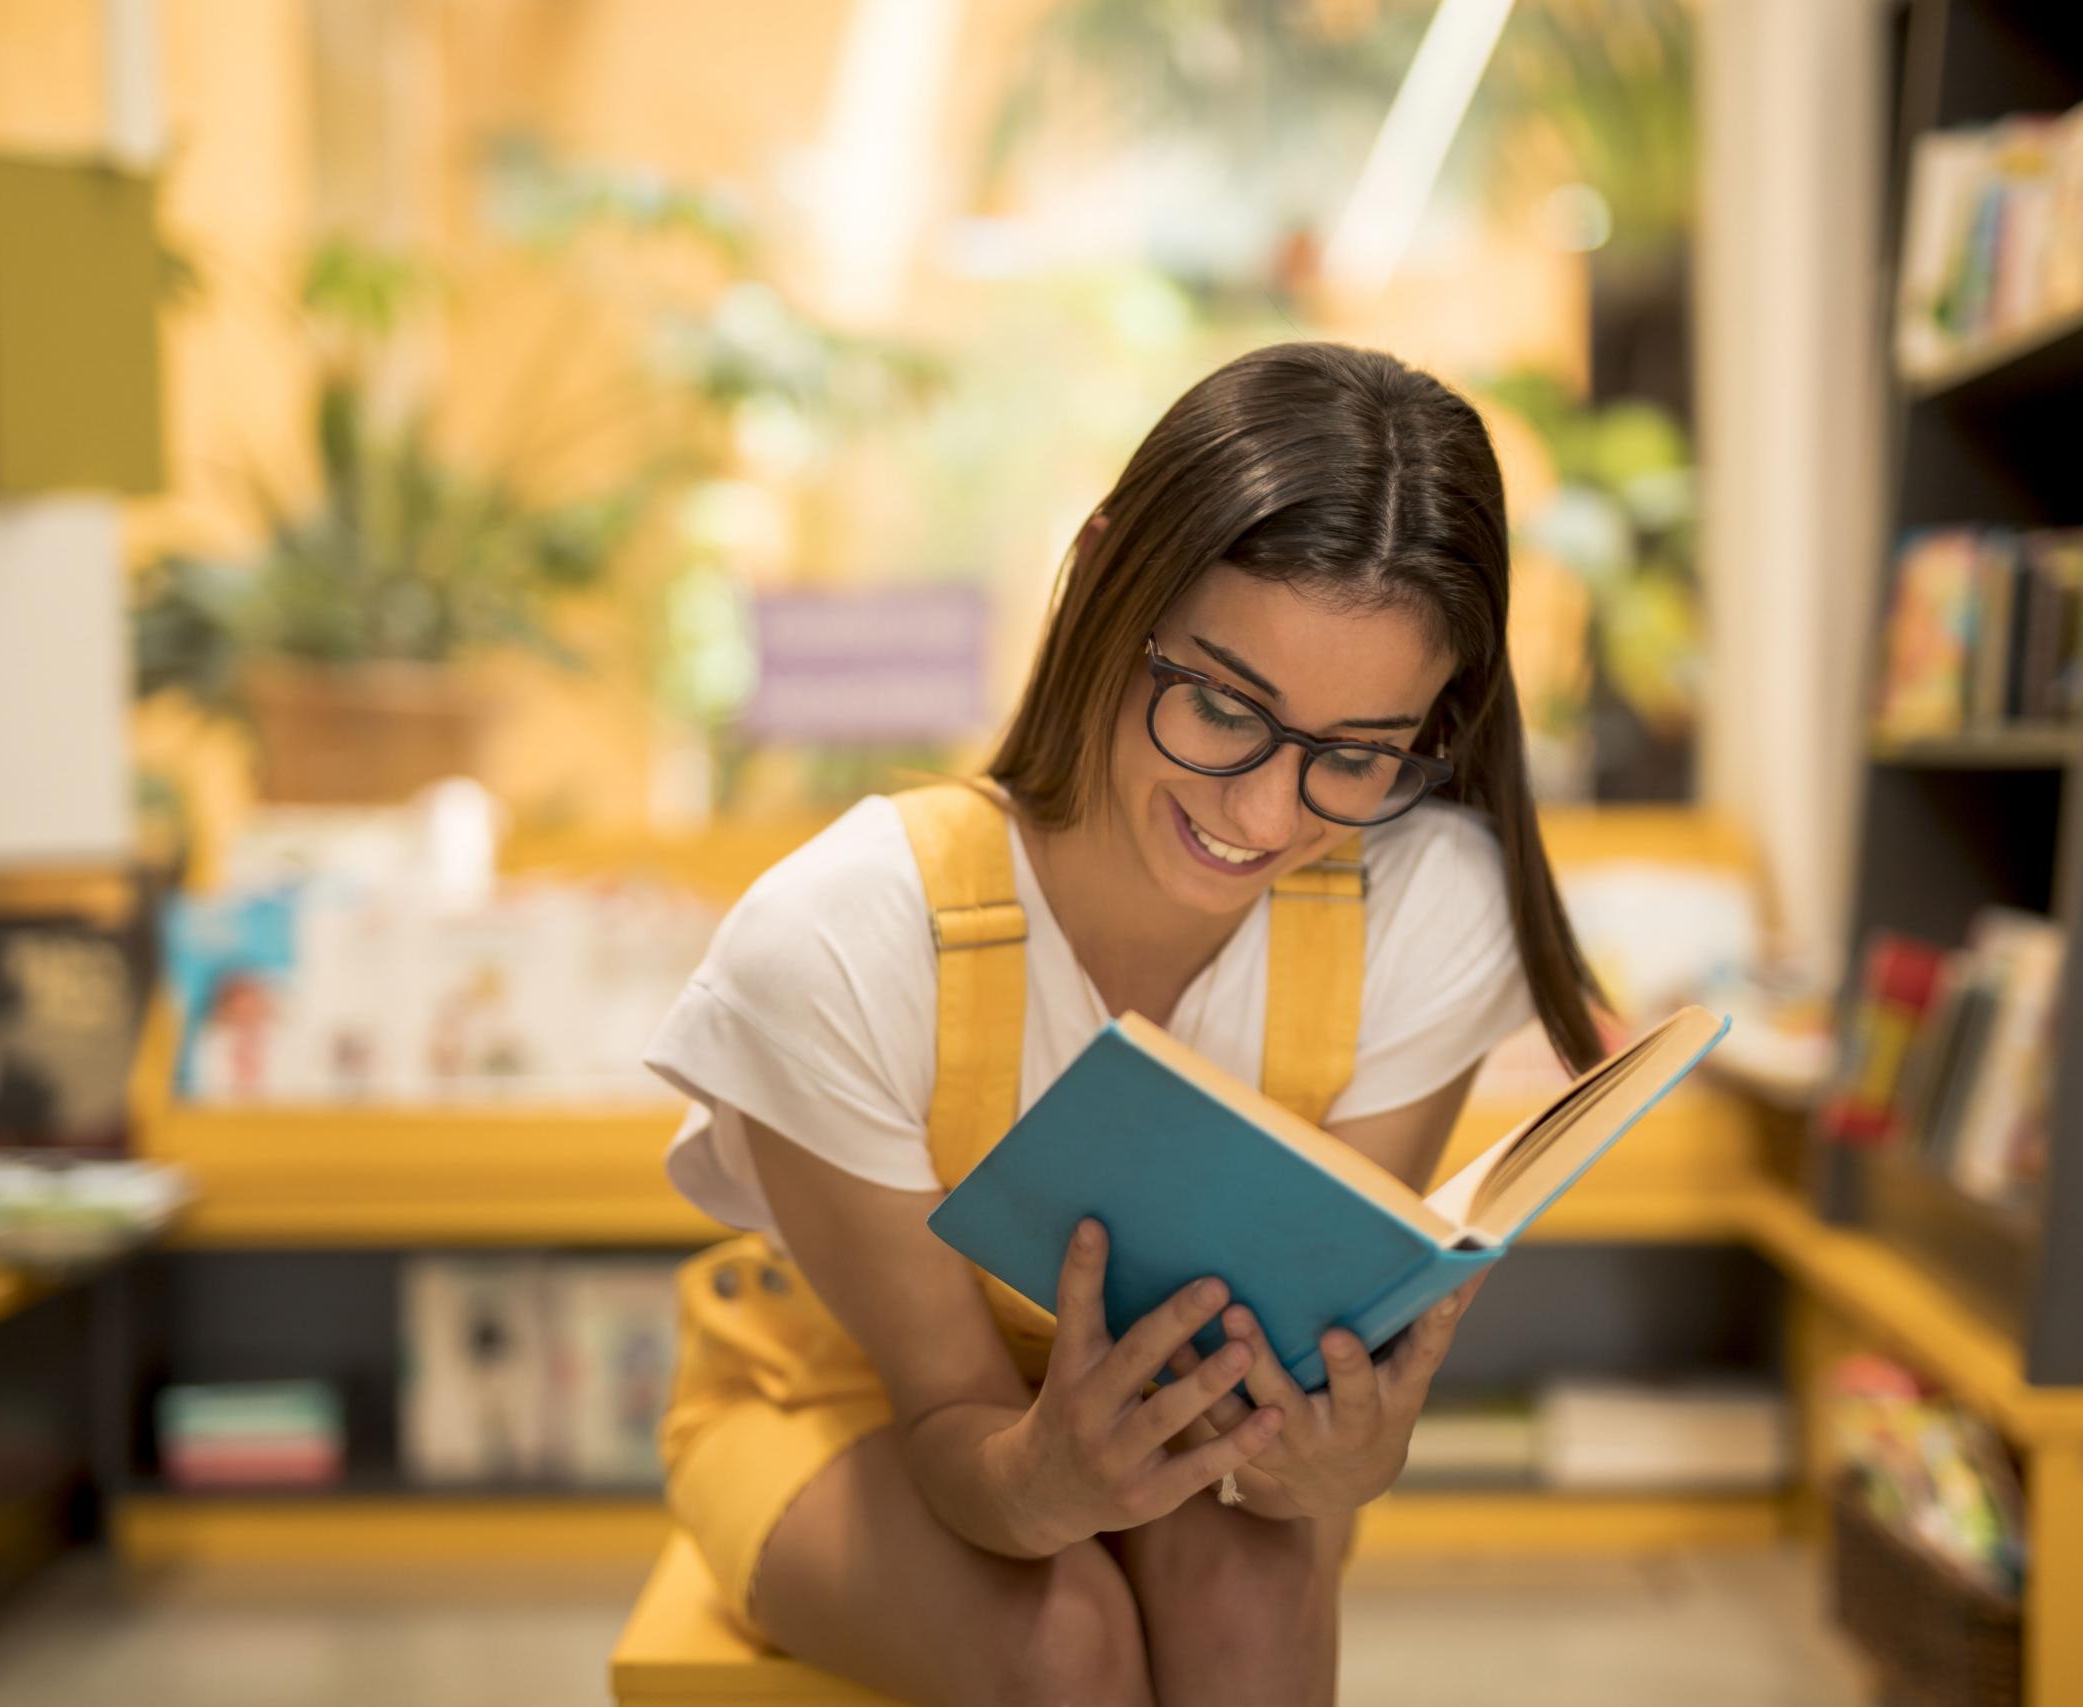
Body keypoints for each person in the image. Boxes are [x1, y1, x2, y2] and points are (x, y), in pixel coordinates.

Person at [646, 341, 1606, 1706]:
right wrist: (1044, 1488)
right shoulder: (844, 941)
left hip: (1192, 1420)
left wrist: (1342, 1462)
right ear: (1102, 570)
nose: (1264, 818)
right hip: (841, 1407)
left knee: (1248, 1593)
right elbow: (949, 1421)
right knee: (1067, 1641)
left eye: (1354, 753)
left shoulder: (1424, 903)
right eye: (1223, 702)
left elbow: (1284, 1396)